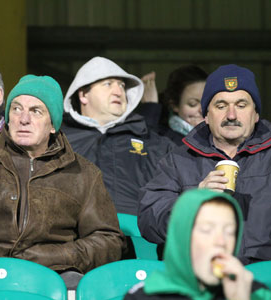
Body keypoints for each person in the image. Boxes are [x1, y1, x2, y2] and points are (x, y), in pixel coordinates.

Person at [0, 74, 124, 289]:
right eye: (16, 109)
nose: (23, 119)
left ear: (53, 125)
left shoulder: (83, 173)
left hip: (55, 274)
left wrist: (59, 256)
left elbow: (107, 239)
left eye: (36, 111)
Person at [138, 64, 271, 264]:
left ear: (256, 114)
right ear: (206, 115)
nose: (232, 115)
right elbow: (149, 221)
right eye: (221, 106)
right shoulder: (177, 159)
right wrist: (193, 202)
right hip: (198, 279)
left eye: (241, 105)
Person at [61, 56, 174, 215]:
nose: (118, 91)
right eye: (108, 84)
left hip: (135, 236)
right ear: (83, 95)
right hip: (71, 236)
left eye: (121, 85)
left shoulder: (156, 144)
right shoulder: (57, 141)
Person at [125, 189, 270, 300]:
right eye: (207, 230)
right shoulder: (146, 296)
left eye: (230, 232)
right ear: (182, 237)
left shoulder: (252, 291)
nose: (221, 241)